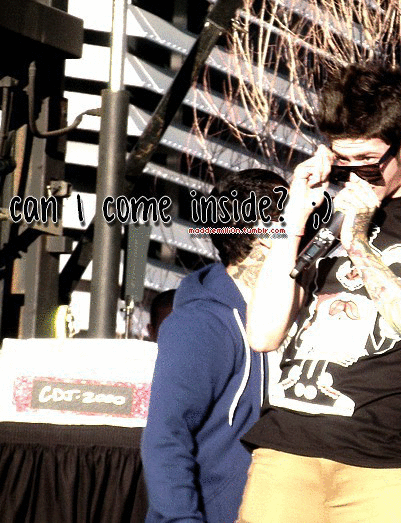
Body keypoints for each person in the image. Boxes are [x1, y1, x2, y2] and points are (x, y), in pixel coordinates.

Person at [238, 62, 401, 523]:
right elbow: (263, 334)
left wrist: (356, 239)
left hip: (384, 460)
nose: (356, 177)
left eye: (370, 164)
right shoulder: (318, 216)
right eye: (343, 163)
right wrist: (295, 215)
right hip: (286, 453)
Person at [141, 168, 287, 523]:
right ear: (263, 234)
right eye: (295, 221)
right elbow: (166, 438)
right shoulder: (200, 324)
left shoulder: (295, 313)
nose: (308, 234)